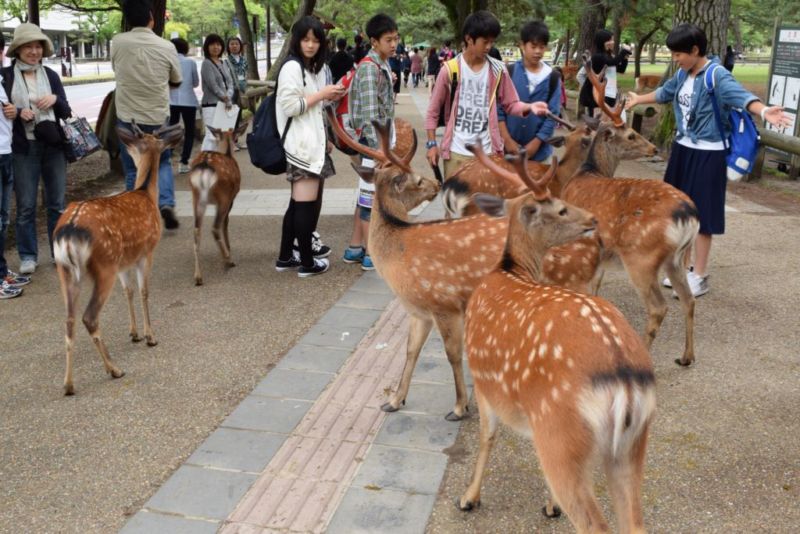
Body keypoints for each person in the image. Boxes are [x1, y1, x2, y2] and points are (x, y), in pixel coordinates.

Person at [626, 23, 791, 297]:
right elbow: (665, 93)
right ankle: (682, 269)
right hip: (683, 149)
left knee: (703, 215)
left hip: (709, 153)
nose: (675, 59)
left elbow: (741, 96)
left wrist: (764, 111)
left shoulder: (717, 75)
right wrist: (638, 99)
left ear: (694, 50)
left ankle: (700, 275)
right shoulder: (682, 74)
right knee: (679, 210)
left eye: (678, 54)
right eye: (673, 54)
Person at [425, 10, 548, 179]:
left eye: (492, 41)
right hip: (456, 153)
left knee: (486, 197)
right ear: (469, 39)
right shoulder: (450, 70)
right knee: (455, 197)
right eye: (485, 42)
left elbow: (511, 104)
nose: (489, 47)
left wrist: (530, 107)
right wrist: (432, 144)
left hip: (488, 155)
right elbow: (433, 111)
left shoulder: (498, 70)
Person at [274, 16, 345, 277]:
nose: (311, 45)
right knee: (305, 206)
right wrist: (322, 94)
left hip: (307, 145)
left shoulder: (306, 67)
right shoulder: (292, 67)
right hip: (301, 148)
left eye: (315, 40)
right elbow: (290, 107)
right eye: (305, 39)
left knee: (297, 205)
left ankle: (285, 257)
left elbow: (310, 108)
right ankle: (307, 262)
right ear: (297, 40)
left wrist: (326, 97)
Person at [2, 23, 71, 275]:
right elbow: (4, 109)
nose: (34, 51)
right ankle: (28, 255)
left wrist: (55, 99)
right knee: (26, 206)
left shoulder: (50, 75)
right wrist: (19, 111)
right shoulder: (6, 77)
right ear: (18, 50)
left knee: (57, 204)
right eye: (28, 47)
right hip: (23, 147)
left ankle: (58, 252)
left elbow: (66, 111)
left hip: (53, 145)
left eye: (38, 46)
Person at [112, 0, 182, 230]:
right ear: (152, 18)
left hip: (128, 116)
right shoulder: (166, 46)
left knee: (133, 167)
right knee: (162, 163)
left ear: (128, 20)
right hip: (157, 116)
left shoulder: (118, 42)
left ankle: (136, 212)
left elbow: (117, 70)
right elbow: (176, 80)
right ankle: (166, 203)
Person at [342, 13, 398, 271]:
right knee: (370, 198)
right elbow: (369, 116)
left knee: (364, 195)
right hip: (373, 143)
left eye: (395, 39)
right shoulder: (369, 68)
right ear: (374, 41)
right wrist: (379, 152)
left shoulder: (379, 63)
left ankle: (355, 247)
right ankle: (370, 252)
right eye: (388, 40)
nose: (394, 44)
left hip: (376, 142)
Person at [498, 20, 561, 162]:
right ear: (522, 45)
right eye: (533, 46)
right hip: (507, 152)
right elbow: (498, 109)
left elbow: (553, 115)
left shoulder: (553, 77)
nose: (538, 51)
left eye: (542, 47)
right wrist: (507, 140)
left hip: (540, 155)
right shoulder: (508, 73)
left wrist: (536, 143)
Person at [0, 31, 29, 297]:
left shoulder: (1, 79)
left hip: (5, 153)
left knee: (3, 218)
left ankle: (2, 271)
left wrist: (14, 112)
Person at [579, 29, 630, 118]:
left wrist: (625, 58)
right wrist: (623, 51)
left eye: (612, 40)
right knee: (598, 121)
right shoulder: (597, 57)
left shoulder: (609, 56)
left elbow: (621, 69)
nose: (613, 42)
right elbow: (611, 62)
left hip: (611, 94)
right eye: (609, 40)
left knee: (610, 121)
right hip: (598, 96)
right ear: (602, 42)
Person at [169, 37, 199, 175]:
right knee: (189, 132)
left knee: (171, 131)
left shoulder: (168, 61)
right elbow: (196, 83)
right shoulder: (190, 62)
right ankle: (184, 162)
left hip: (171, 101)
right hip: (188, 101)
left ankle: (167, 158)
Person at [200, 34, 234, 153]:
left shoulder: (223, 63)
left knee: (221, 136)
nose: (216, 47)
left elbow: (230, 82)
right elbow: (212, 85)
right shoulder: (206, 63)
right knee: (211, 136)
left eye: (218, 44)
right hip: (211, 105)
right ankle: (204, 160)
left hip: (224, 104)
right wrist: (225, 97)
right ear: (207, 47)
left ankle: (215, 161)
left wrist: (228, 96)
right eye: (212, 44)